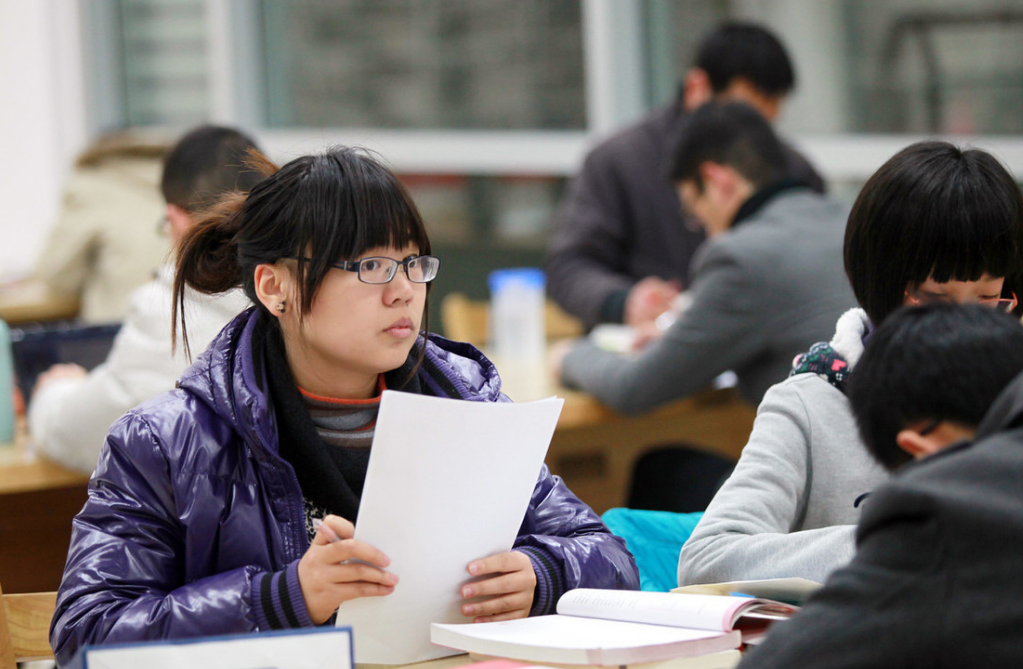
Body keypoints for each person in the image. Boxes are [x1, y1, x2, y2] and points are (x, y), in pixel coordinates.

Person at [50, 146, 639, 667]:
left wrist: (543, 575)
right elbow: (85, 636)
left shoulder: (463, 402)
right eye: (370, 266)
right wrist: (280, 598)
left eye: (413, 263)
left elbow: (610, 558)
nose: (403, 288)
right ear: (273, 286)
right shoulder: (166, 443)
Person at [678, 140, 1023, 586]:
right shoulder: (810, 405)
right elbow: (707, 559)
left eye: (987, 300)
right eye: (932, 299)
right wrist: (901, 541)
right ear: (871, 280)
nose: (962, 328)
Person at [738, 303, 1023, 668]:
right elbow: (711, 554)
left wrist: (886, 540)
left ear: (922, 452)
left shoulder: (952, 511)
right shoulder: (805, 401)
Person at [553, 101, 853, 412]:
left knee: (660, 462)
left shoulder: (740, 258)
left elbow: (633, 388)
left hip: (817, 456)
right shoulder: (851, 221)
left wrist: (570, 356)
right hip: (886, 451)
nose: (701, 226)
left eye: (692, 210)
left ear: (717, 182)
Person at [546, 21, 824, 331]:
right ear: (697, 88)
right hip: (639, 350)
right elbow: (568, 267)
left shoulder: (794, 170)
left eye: (763, 124)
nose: (753, 136)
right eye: (741, 116)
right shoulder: (616, 161)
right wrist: (624, 301)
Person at [28, 125, 260, 474]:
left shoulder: (172, 309)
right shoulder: (299, 292)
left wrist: (54, 391)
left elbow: (81, 438)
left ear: (176, 219)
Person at [32, 131, 171, 323]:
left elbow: (57, 276)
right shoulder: (195, 181)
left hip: (119, 330)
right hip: (196, 333)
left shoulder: (92, 185)